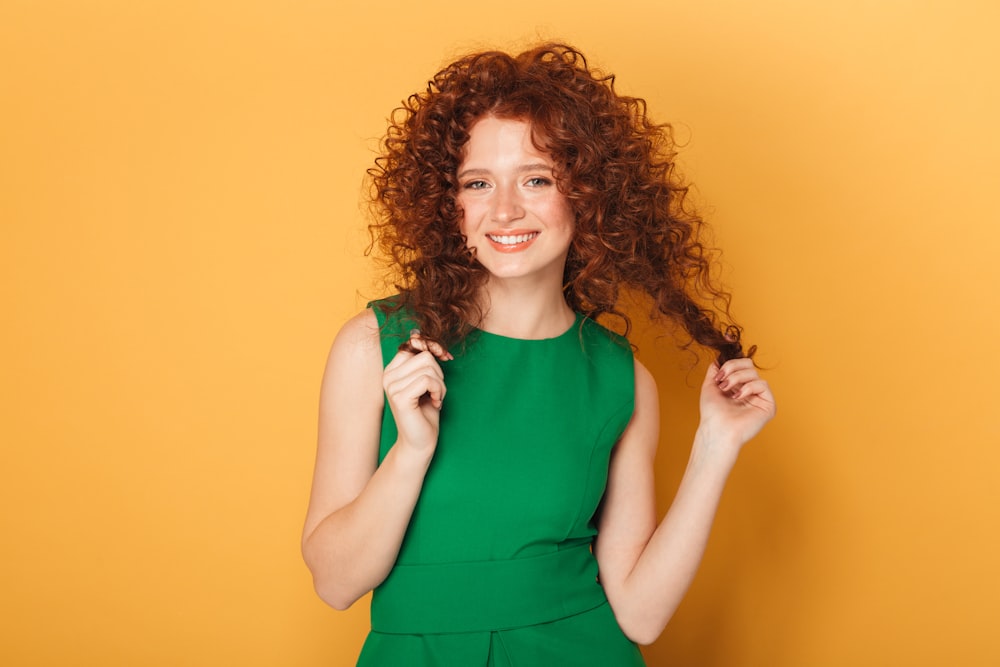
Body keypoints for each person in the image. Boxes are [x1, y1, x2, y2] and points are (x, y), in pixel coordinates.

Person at [302, 43, 776, 666]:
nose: (504, 210)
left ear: (587, 194)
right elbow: (335, 584)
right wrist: (412, 453)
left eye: (536, 178)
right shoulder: (375, 345)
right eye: (478, 183)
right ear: (450, 206)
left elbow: (640, 612)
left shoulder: (619, 376)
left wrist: (716, 446)